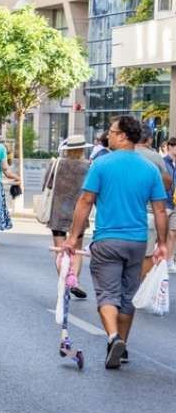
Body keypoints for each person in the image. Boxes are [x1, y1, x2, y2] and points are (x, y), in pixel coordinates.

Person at [63, 116, 168, 370]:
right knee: (128, 296)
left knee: (107, 294)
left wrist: (73, 237)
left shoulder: (102, 164)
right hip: (137, 242)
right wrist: (163, 243)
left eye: (111, 131)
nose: (107, 135)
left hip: (107, 240)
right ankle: (122, 347)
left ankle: (113, 338)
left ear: (123, 136)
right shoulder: (150, 169)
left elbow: (86, 201)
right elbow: (160, 210)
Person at [43, 135, 92, 298]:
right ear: (83, 149)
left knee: (60, 250)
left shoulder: (56, 164)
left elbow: (47, 185)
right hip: (79, 214)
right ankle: (73, 280)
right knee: (76, 250)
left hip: (57, 212)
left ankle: (65, 281)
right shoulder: (88, 166)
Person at [134, 133, 173, 278]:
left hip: (123, 214)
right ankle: (140, 286)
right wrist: (162, 243)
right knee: (147, 255)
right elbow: (167, 183)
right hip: (148, 213)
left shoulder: (121, 154)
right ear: (149, 139)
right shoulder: (155, 157)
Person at [163, 138, 176, 271]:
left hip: (175, 203)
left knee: (173, 233)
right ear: (170, 147)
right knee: (163, 232)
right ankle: (161, 259)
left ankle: (169, 260)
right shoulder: (163, 162)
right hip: (165, 201)